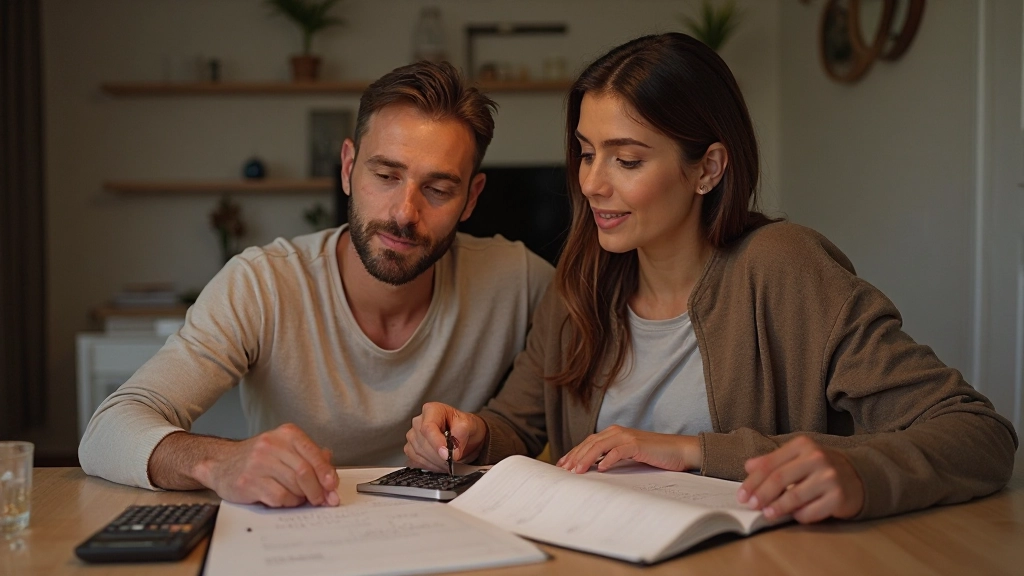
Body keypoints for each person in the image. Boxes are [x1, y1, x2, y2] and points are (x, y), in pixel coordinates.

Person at [404, 34, 1018, 523]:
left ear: (709, 169)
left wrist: (701, 452)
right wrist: (474, 434)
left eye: (627, 159)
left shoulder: (783, 267)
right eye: (587, 152)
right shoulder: (580, 281)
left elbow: (978, 434)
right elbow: (519, 424)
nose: (591, 182)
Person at [79, 61, 554, 508]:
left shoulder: (521, 280)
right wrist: (219, 461)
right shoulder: (262, 284)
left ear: (470, 198)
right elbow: (107, 430)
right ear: (348, 167)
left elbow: (535, 420)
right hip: (296, 532)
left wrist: (483, 434)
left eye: (438, 189)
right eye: (385, 175)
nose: (404, 213)